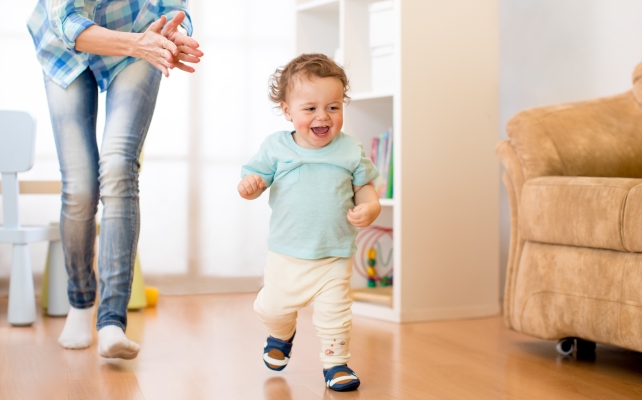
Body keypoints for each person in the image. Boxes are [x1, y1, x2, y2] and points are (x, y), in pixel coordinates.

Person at [27, 0, 203, 360]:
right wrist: (139, 43)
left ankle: (111, 322)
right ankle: (79, 302)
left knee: (119, 168)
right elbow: (68, 22)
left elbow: (173, 6)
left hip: (139, 34)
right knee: (80, 187)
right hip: (68, 47)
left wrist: (173, 34)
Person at [237, 53, 381, 392]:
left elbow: (366, 190)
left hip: (334, 253)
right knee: (272, 308)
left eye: (333, 107)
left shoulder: (349, 150)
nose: (323, 116)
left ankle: (336, 364)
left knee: (335, 314)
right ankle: (281, 333)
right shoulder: (276, 148)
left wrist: (370, 209)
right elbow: (253, 179)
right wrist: (251, 186)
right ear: (288, 111)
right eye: (310, 108)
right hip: (287, 253)